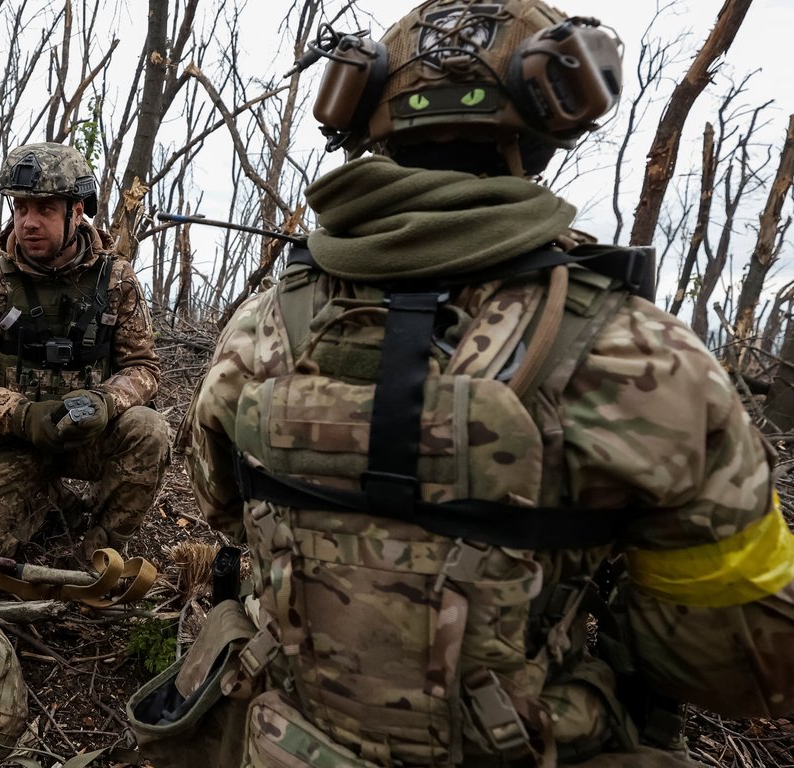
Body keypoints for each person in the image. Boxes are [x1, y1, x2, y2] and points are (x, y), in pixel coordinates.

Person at [186, 1, 794, 766]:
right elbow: (744, 661)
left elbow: (221, 504)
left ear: (369, 114)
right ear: (546, 126)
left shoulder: (260, 326)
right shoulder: (641, 353)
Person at [0, 142, 172, 560]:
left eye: (44, 209)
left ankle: (99, 552)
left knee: (148, 430)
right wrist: (23, 415)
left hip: (89, 439)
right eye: (21, 208)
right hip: (15, 442)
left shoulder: (116, 279)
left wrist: (105, 401)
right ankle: (49, 501)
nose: (29, 222)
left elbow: (143, 366)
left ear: (77, 211)